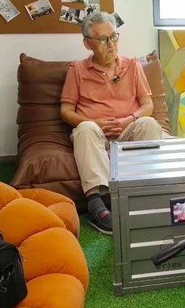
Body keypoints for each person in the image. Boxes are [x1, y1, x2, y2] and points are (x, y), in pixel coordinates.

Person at [60, 12, 163, 235]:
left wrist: (130, 119)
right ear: (87, 44)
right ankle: (97, 203)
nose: (111, 44)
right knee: (85, 129)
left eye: (114, 36)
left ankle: (145, 193)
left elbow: (148, 105)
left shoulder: (132, 65)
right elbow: (66, 111)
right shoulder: (77, 70)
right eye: (103, 39)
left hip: (127, 131)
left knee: (149, 123)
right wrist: (94, 122)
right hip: (95, 135)